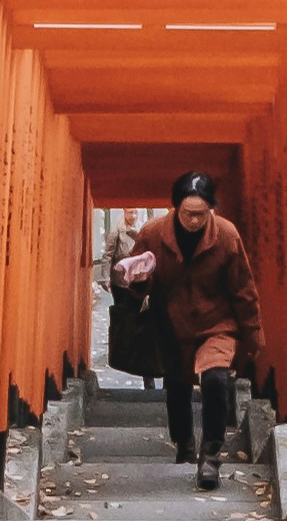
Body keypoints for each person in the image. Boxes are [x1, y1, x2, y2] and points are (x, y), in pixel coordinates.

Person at [113, 171, 267, 492]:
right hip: (171, 323)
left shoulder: (226, 235)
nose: (194, 220)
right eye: (187, 213)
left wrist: (253, 337)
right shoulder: (153, 234)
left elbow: (243, 289)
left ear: (211, 209)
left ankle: (210, 454)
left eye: (201, 214)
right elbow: (135, 283)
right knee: (178, 387)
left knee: (215, 379)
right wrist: (136, 280)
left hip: (217, 324)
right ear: (175, 208)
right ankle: (183, 444)